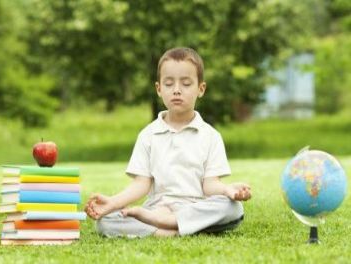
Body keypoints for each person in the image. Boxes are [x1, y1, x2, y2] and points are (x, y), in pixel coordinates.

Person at [85, 47, 252, 237]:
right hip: (156, 210)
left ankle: (168, 226)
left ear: (201, 89)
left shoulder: (210, 136)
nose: (177, 90)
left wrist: (227, 190)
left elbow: (210, 185)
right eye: (169, 83)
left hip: (195, 209)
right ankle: (179, 229)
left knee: (233, 208)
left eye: (186, 83)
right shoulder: (148, 135)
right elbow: (141, 184)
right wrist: (112, 203)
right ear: (159, 89)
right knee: (105, 222)